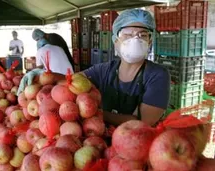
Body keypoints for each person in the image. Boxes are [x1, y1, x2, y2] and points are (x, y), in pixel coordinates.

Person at [21, 9, 170, 127]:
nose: (135, 40)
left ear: (150, 42)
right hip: (101, 141)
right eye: (127, 34)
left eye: (143, 35)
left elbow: (142, 123)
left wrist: (95, 113)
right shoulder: (105, 70)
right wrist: (48, 75)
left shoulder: (157, 75)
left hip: (136, 148)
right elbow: (73, 81)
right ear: (116, 41)